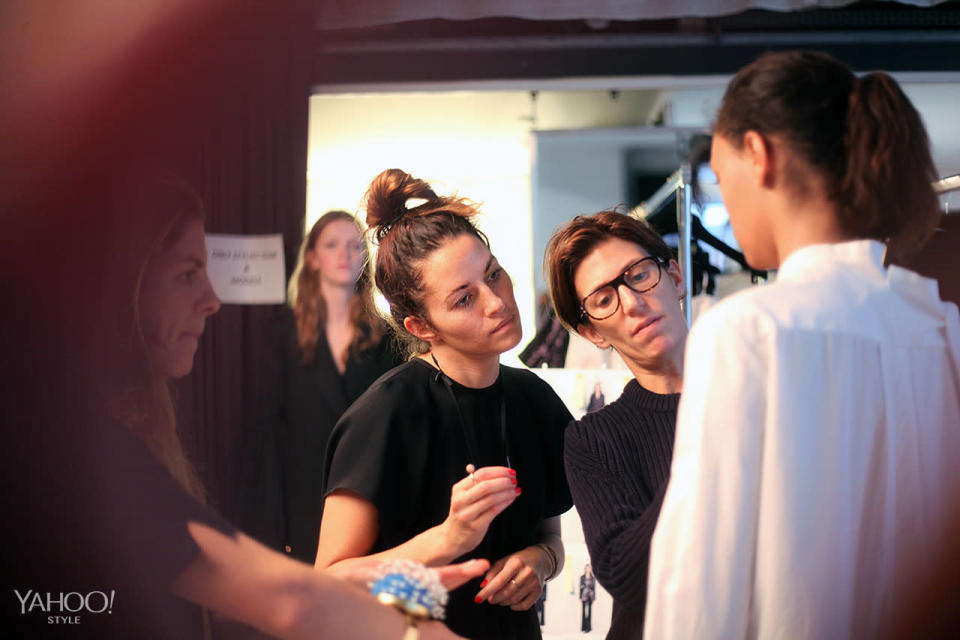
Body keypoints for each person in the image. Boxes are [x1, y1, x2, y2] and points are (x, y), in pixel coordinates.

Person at [7, 175, 484, 640]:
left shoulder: (98, 443)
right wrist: (413, 627)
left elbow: (297, 590)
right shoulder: (87, 457)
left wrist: (416, 564)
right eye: (187, 274)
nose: (212, 299)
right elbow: (290, 598)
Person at [644, 50, 960, 639]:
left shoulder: (746, 329)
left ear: (758, 155)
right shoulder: (940, 329)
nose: (727, 205)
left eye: (720, 172)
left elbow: (699, 580)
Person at [316, 168, 572, 640]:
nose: (497, 301)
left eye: (493, 273)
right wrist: (448, 538)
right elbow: (329, 582)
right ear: (421, 327)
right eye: (463, 299)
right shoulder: (385, 415)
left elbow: (549, 537)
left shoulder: (534, 400)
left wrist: (541, 562)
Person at [543, 211, 687, 639]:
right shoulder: (594, 439)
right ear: (593, 333)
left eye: (639, 275)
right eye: (604, 299)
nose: (632, 303)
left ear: (675, 276)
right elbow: (628, 575)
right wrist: (712, 449)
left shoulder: (759, 391)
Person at [262, 210, 399, 562]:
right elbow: (269, 436)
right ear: (312, 259)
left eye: (355, 245)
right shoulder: (282, 335)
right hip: (303, 508)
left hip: (374, 504)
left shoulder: (386, 339)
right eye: (333, 245)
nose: (345, 254)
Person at [579, 564, 596, 633]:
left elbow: (594, 588)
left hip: (590, 596)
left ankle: (588, 628)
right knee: (583, 612)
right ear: (585, 569)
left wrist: (594, 597)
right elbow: (580, 587)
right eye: (586, 568)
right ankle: (583, 627)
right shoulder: (582, 577)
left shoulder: (592, 578)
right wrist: (580, 596)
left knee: (589, 612)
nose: (587, 569)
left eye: (589, 568)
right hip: (584, 596)